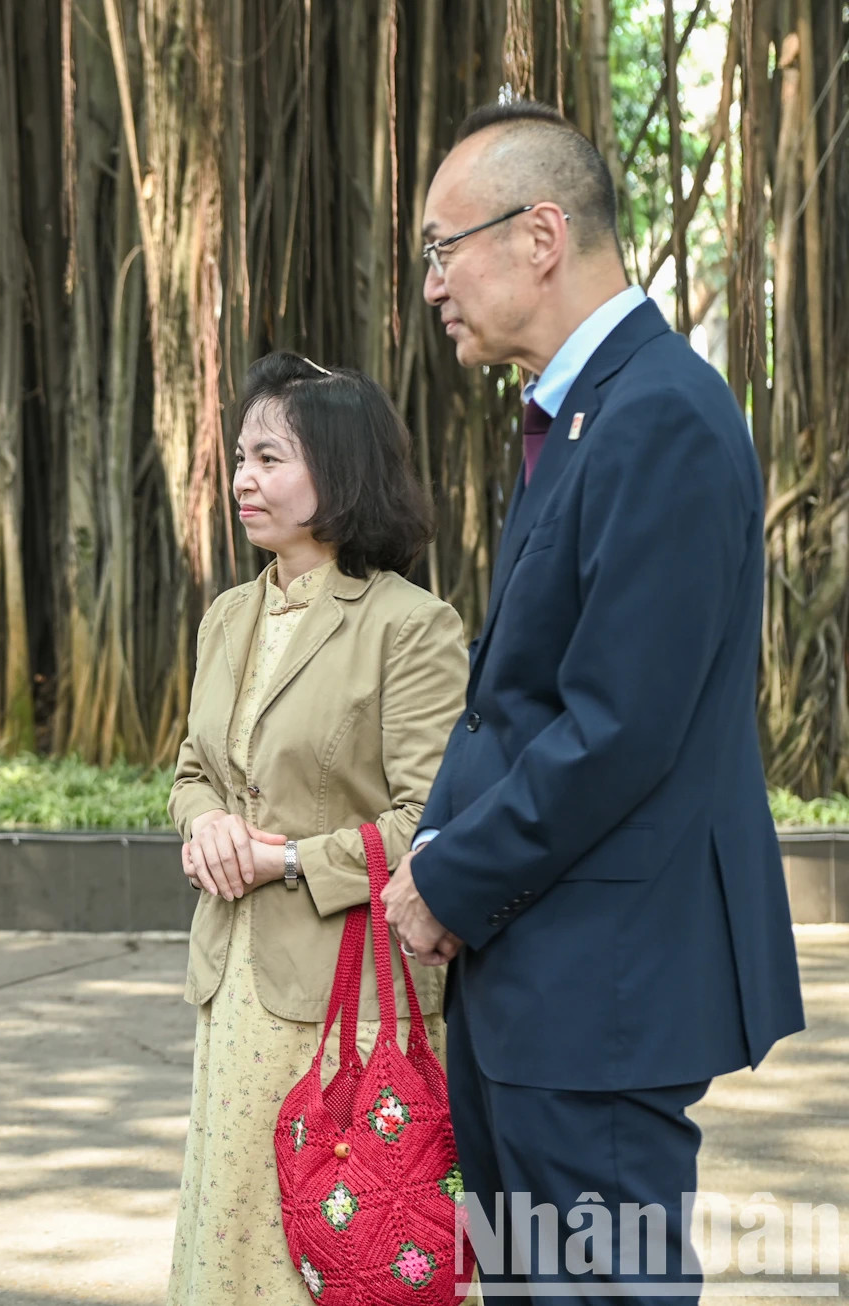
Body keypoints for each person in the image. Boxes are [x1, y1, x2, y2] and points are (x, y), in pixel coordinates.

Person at [384, 101, 805, 1299]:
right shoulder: (585, 414)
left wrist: (453, 875)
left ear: (541, 234)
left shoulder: (657, 414)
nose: (431, 286)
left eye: (442, 247)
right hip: (547, 973)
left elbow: (620, 723)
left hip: (600, 986)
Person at [166, 351, 468, 1305]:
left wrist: (289, 859)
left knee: (347, 1246)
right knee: (235, 1241)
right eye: (242, 458)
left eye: (270, 458)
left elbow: (433, 818)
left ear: (339, 471)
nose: (244, 480)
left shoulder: (411, 626)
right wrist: (204, 821)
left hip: (352, 994)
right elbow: (189, 768)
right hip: (234, 986)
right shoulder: (226, 617)